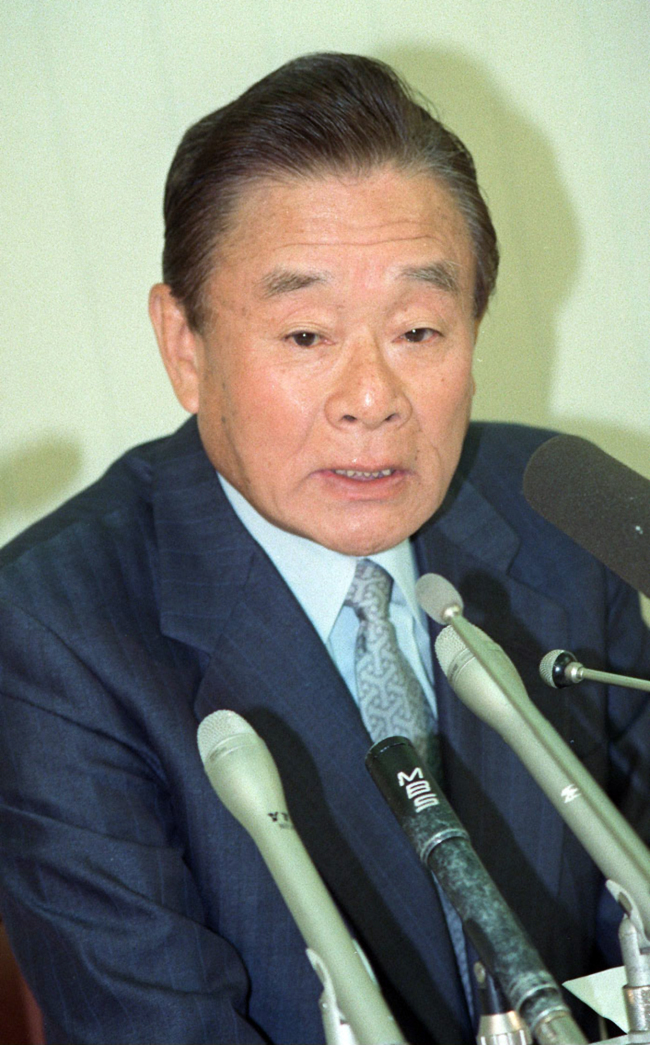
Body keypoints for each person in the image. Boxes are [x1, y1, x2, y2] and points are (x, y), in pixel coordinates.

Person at [0, 52, 649, 1045]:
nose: (370, 397)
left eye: (419, 330)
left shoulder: (556, 519)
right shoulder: (58, 632)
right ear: (185, 345)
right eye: (305, 336)